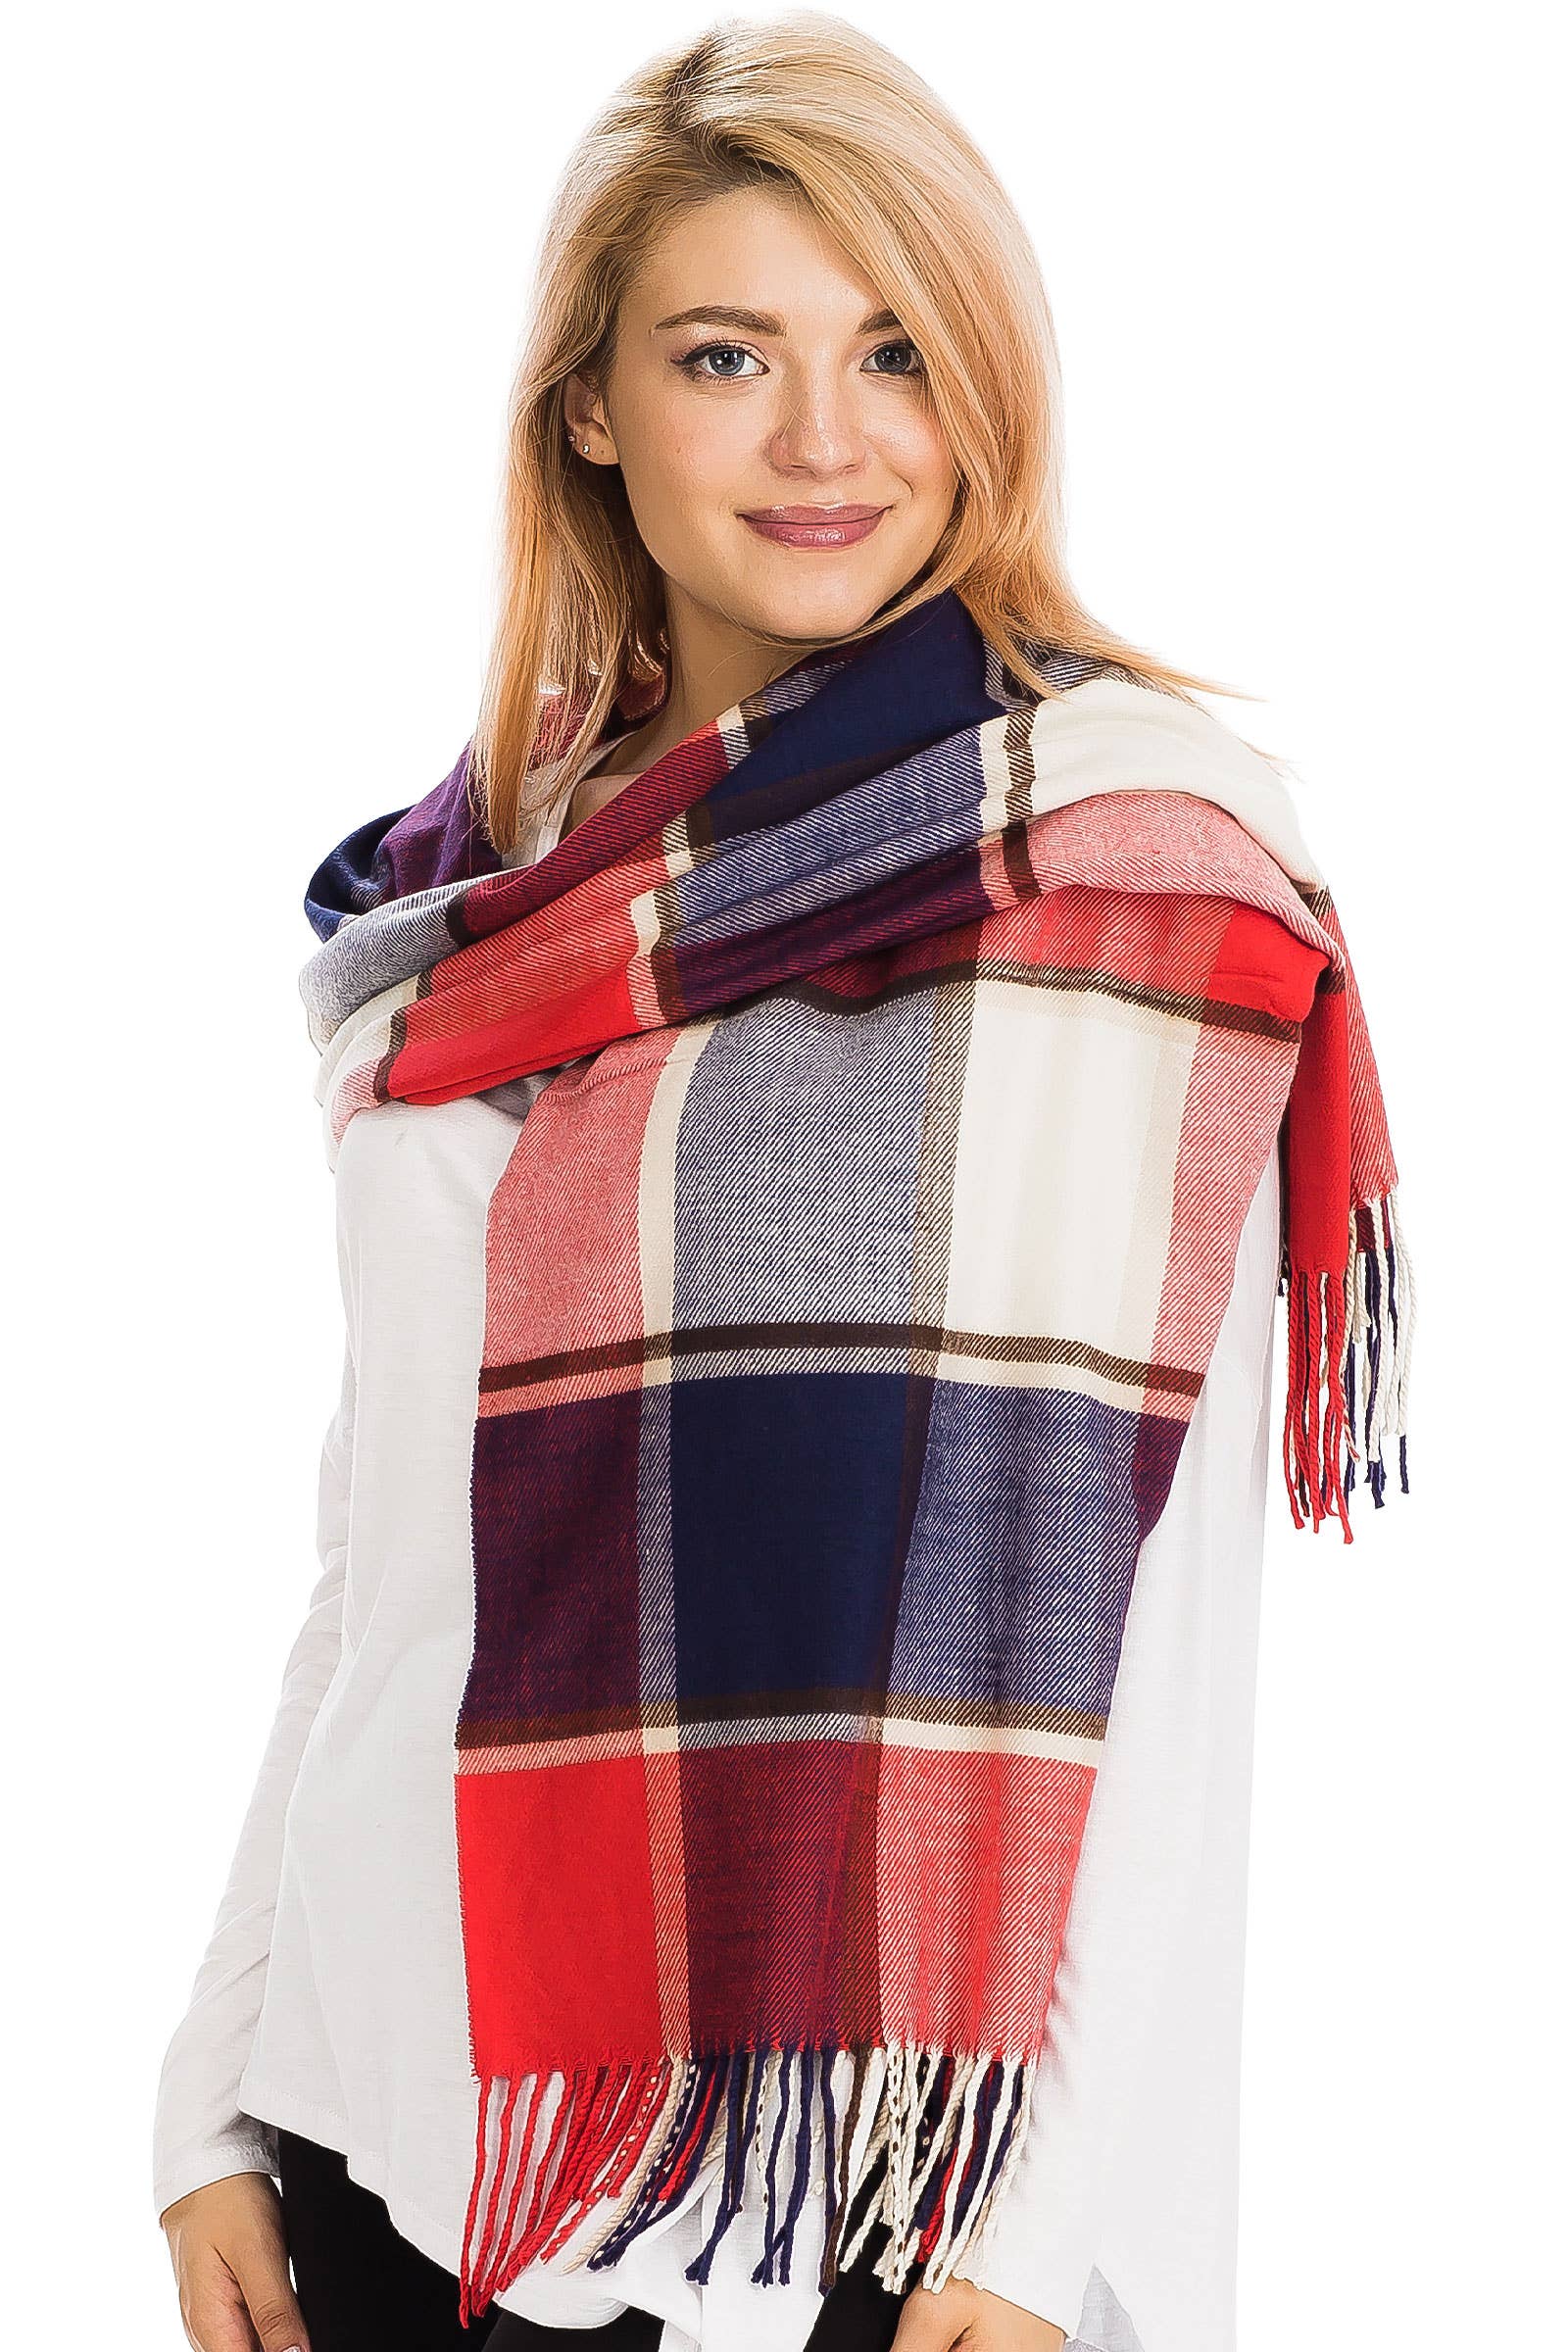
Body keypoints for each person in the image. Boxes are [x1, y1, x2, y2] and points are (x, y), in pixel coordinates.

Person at [152, 17, 1412, 2352]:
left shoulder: (1118, 870)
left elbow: (1159, 1626)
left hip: (845, 2198)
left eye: (895, 350)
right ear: (590, 406)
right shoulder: (486, 879)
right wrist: (210, 2086)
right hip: (380, 2131)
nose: (827, 441)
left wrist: (1026, 2230)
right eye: (724, 355)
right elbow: (381, 1555)